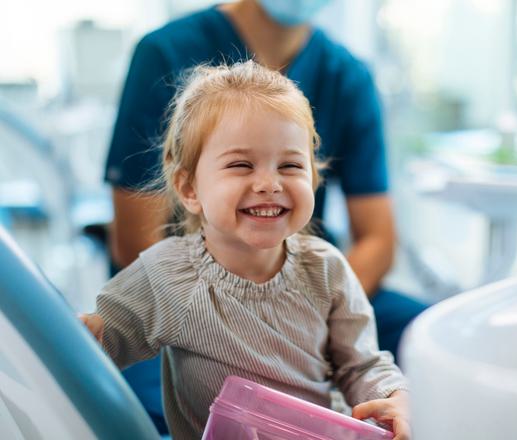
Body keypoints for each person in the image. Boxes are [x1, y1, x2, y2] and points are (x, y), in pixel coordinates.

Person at [104, 0, 427, 433]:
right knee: (138, 416)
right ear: (187, 187)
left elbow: (364, 361)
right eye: (241, 165)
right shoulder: (167, 276)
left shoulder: (327, 270)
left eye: (291, 167)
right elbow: (96, 335)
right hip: (188, 313)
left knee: (430, 342)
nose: (269, 183)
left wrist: (315, 324)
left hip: (305, 337)